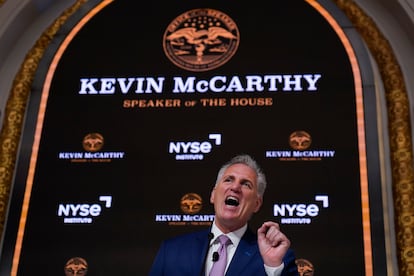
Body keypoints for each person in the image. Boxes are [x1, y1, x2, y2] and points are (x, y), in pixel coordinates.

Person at [149, 154, 298, 276]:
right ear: (213, 195)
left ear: (257, 204)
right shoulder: (172, 251)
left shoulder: (277, 258)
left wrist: (273, 267)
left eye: (246, 184)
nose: (235, 187)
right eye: (228, 180)